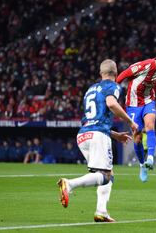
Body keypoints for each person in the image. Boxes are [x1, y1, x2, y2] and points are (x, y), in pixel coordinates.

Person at [57, 59, 138, 222]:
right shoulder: (113, 86)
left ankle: (101, 212)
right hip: (97, 136)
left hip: (83, 135)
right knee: (105, 175)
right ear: (116, 74)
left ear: (101, 73)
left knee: (107, 174)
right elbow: (111, 103)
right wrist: (130, 122)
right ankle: (69, 184)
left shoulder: (90, 90)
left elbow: (93, 119)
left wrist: (115, 135)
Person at [116, 47, 156, 182]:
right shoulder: (144, 66)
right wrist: (111, 91)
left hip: (148, 101)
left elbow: (155, 84)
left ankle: (150, 159)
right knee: (138, 138)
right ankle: (142, 165)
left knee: (150, 125)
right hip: (133, 104)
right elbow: (123, 75)